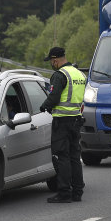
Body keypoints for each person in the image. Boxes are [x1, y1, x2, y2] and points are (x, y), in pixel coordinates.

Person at [40, 47, 86, 203]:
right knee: (74, 157)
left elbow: (54, 97)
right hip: (76, 120)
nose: (52, 65)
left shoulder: (60, 75)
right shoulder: (79, 74)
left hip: (62, 121)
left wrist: (43, 106)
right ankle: (78, 191)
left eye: (51, 62)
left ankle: (64, 192)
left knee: (61, 157)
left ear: (55, 60)